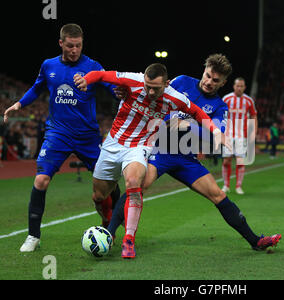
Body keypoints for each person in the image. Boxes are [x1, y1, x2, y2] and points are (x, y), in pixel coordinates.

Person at [107, 54, 281, 254]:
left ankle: (255, 241)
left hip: (186, 158)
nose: (209, 82)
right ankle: (110, 233)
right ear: (204, 70)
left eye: (216, 80)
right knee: (138, 186)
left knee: (218, 195)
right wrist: (121, 92)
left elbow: (214, 134)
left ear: (223, 82)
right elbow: (152, 94)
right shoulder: (181, 82)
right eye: (207, 75)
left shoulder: (220, 107)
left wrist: (186, 124)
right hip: (160, 149)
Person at [74, 62, 228, 259]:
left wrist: (215, 132)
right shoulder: (133, 80)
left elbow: (198, 112)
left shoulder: (176, 97)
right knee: (99, 196)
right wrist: (86, 80)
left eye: (155, 88)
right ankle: (107, 223)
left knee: (134, 183)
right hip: (114, 143)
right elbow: (101, 75)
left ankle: (128, 240)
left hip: (141, 146)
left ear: (165, 85)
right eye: (148, 86)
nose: (150, 91)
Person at [3, 24, 121, 252]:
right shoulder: (49, 65)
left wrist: (123, 91)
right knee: (40, 180)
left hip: (88, 136)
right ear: (61, 43)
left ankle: (111, 225)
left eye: (78, 45)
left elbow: (111, 87)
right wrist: (18, 104)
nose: (75, 49)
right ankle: (33, 236)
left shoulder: (92, 66)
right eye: (70, 45)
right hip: (58, 133)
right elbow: (37, 89)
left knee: (108, 184)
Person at [221, 77, 258, 194]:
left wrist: (254, 131)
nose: (239, 88)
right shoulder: (226, 98)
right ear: (234, 86)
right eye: (238, 86)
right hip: (227, 134)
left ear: (244, 87)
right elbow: (220, 115)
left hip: (241, 134)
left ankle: (238, 186)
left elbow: (254, 115)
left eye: (241, 86)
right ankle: (226, 185)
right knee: (226, 161)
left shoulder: (248, 101)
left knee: (240, 161)